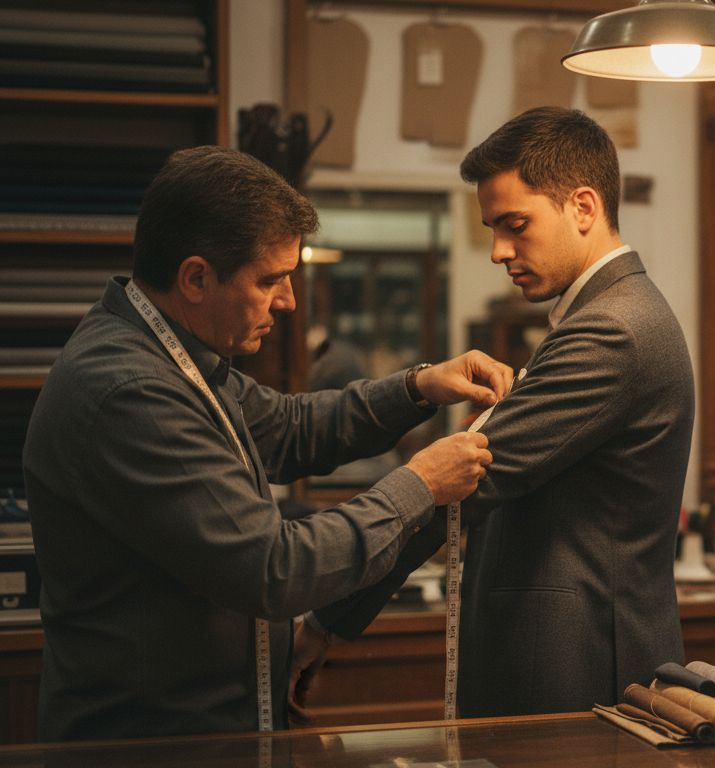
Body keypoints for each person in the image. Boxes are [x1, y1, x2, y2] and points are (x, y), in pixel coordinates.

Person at [22, 146, 509, 740]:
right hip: (155, 745)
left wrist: (418, 387)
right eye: (270, 280)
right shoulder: (130, 390)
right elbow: (273, 568)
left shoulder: (178, 356)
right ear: (196, 278)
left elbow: (290, 428)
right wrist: (419, 484)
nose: (289, 302)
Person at [300, 107, 695, 717]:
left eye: (515, 225)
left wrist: (328, 618)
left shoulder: (611, 331)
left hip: (577, 666)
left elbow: (458, 488)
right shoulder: (601, 315)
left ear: (584, 208)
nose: (497, 251)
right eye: (491, 228)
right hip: (565, 653)